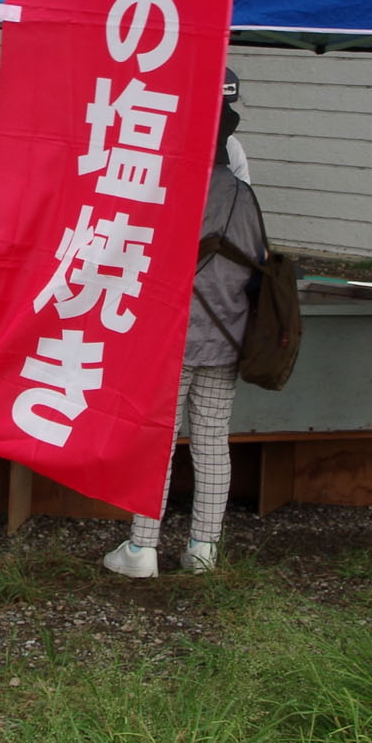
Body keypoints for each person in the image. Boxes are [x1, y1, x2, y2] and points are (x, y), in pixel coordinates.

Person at [104, 102, 262, 579]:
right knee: (213, 439)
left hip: (170, 337)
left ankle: (142, 547)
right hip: (226, 333)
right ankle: (203, 550)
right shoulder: (242, 194)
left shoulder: (164, 189)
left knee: (160, 440)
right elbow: (260, 259)